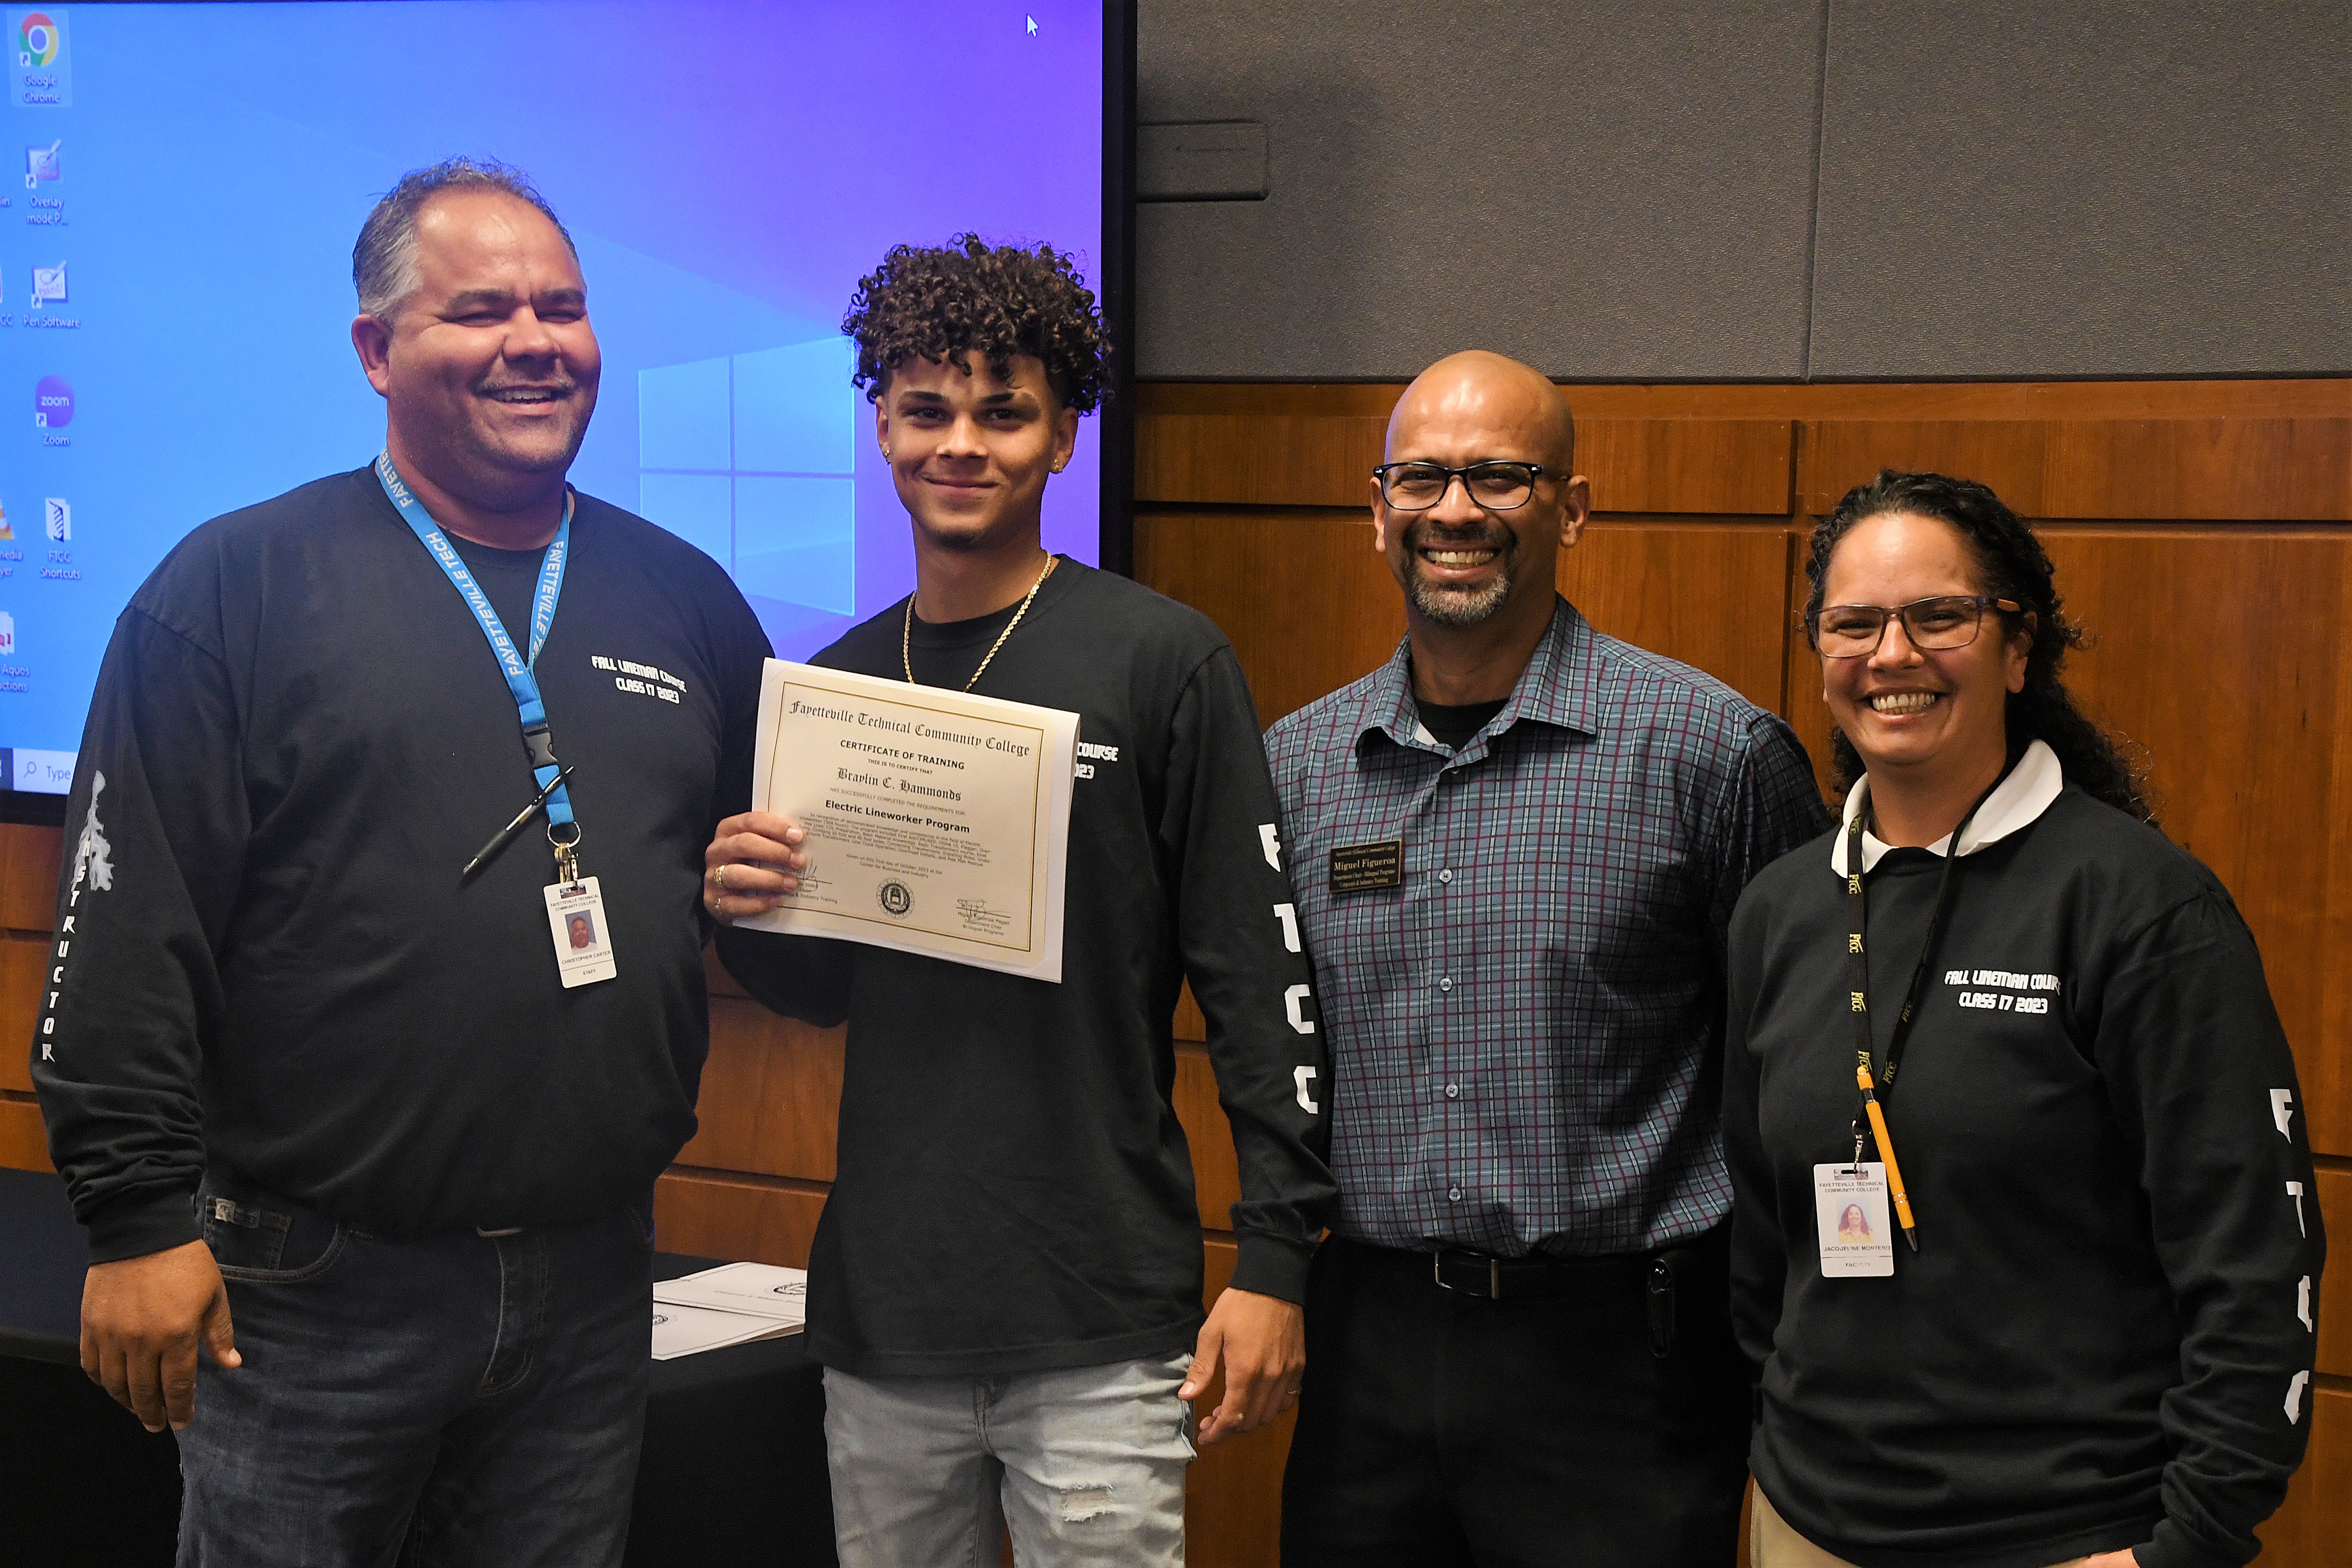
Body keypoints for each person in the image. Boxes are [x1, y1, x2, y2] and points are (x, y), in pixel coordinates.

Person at [32, 158, 770, 1566]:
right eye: (480, 310)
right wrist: (134, 1220)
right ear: (376, 350)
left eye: (563, 306)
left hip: (592, 1272)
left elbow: (761, 896)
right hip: (310, 1287)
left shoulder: (686, 597)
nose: (534, 342)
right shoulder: (232, 591)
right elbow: (129, 921)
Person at [702, 235, 1335, 1568]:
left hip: (1098, 1311)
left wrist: (1277, 1256)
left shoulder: (1161, 659)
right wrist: (741, 905)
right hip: (887, 1311)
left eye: (1005, 410)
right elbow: (819, 991)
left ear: (1062, 438)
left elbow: (1257, 975)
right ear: (880, 423)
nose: (961, 443)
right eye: (927, 407)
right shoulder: (837, 685)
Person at [1265, 349, 1832, 1567]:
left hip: (1620, 1363)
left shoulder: (1713, 753)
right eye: (1420, 478)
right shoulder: (1299, 765)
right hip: (1367, 1335)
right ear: (1378, 511)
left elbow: (1806, 1075)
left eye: (1500, 477)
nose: (1454, 511)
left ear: (1569, 508)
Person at [1724, 470, 2325, 1568]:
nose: (1890, 655)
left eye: (1938, 616)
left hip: (2057, 1533)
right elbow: (1761, 1246)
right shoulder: (1779, 910)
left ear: (2016, 647)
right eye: (1852, 624)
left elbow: (2251, 1262)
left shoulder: (2141, 906)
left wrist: (2186, 1543)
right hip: (1805, 1521)